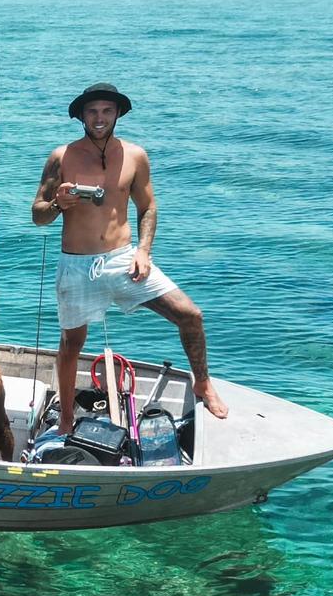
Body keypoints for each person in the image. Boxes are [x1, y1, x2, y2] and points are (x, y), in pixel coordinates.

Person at [31, 82, 229, 434]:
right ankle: (65, 418)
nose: (100, 118)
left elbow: (148, 206)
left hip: (124, 259)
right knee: (71, 343)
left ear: (118, 113)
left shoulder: (135, 155)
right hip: (77, 265)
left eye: (107, 110)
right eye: (92, 111)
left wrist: (143, 250)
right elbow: (38, 215)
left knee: (191, 316)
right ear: (81, 116)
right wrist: (60, 204)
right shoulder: (61, 157)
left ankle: (202, 383)